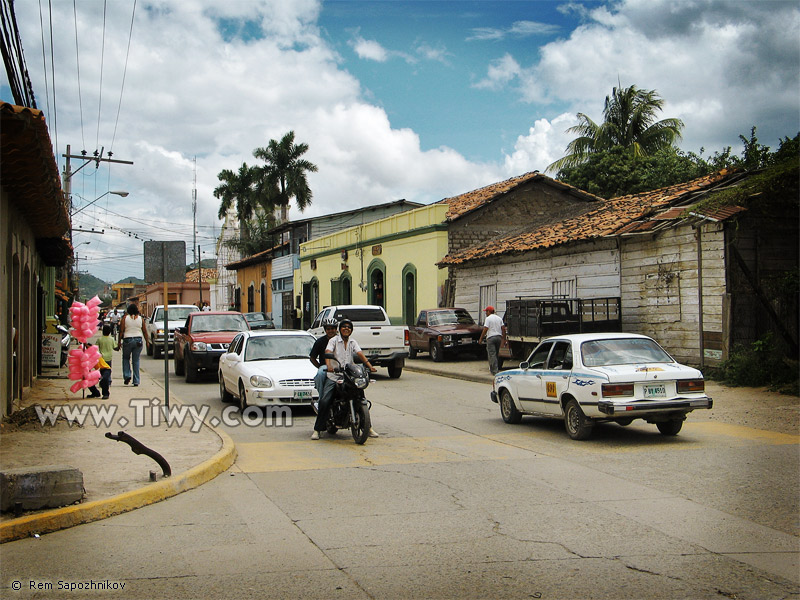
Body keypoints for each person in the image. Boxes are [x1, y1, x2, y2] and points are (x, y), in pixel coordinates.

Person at [312, 318, 378, 440]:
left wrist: (370, 367)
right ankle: (317, 429)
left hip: (348, 376)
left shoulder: (353, 342)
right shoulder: (333, 341)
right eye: (344, 327)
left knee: (360, 396)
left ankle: (367, 428)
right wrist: (329, 366)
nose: (346, 329)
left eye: (349, 327)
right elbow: (328, 352)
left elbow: (360, 354)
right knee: (325, 401)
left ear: (351, 330)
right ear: (340, 329)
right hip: (334, 375)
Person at [310, 318, 339, 417]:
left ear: (336, 329)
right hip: (326, 367)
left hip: (340, 367)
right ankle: (321, 400)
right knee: (320, 374)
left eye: (333, 328)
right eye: (328, 329)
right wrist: (320, 366)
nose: (331, 331)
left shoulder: (342, 340)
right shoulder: (320, 342)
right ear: (325, 330)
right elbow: (312, 357)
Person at [118, 304, 149, 386]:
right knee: (136, 360)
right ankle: (136, 380)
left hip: (127, 339)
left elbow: (121, 331)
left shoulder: (125, 318)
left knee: (125, 358)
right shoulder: (141, 319)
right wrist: (147, 342)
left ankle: (127, 375)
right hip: (138, 340)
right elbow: (145, 331)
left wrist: (118, 343)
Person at [477, 306, 506, 376]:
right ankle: (494, 368)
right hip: (499, 337)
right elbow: (503, 329)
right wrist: (503, 339)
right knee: (496, 354)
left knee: (492, 354)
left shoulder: (488, 319)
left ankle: (495, 371)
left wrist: (481, 338)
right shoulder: (499, 318)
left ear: (489, 312)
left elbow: (485, 329)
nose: (486, 313)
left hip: (491, 338)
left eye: (486, 312)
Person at [96, 325, 115, 398]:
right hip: (109, 359)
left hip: (101, 359)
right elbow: (115, 347)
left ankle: (103, 381)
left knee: (102, 372)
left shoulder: (100, 339)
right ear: (110, 332)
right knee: (107, 372)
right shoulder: (111, 339)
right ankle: (107, 381)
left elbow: (96, 348)